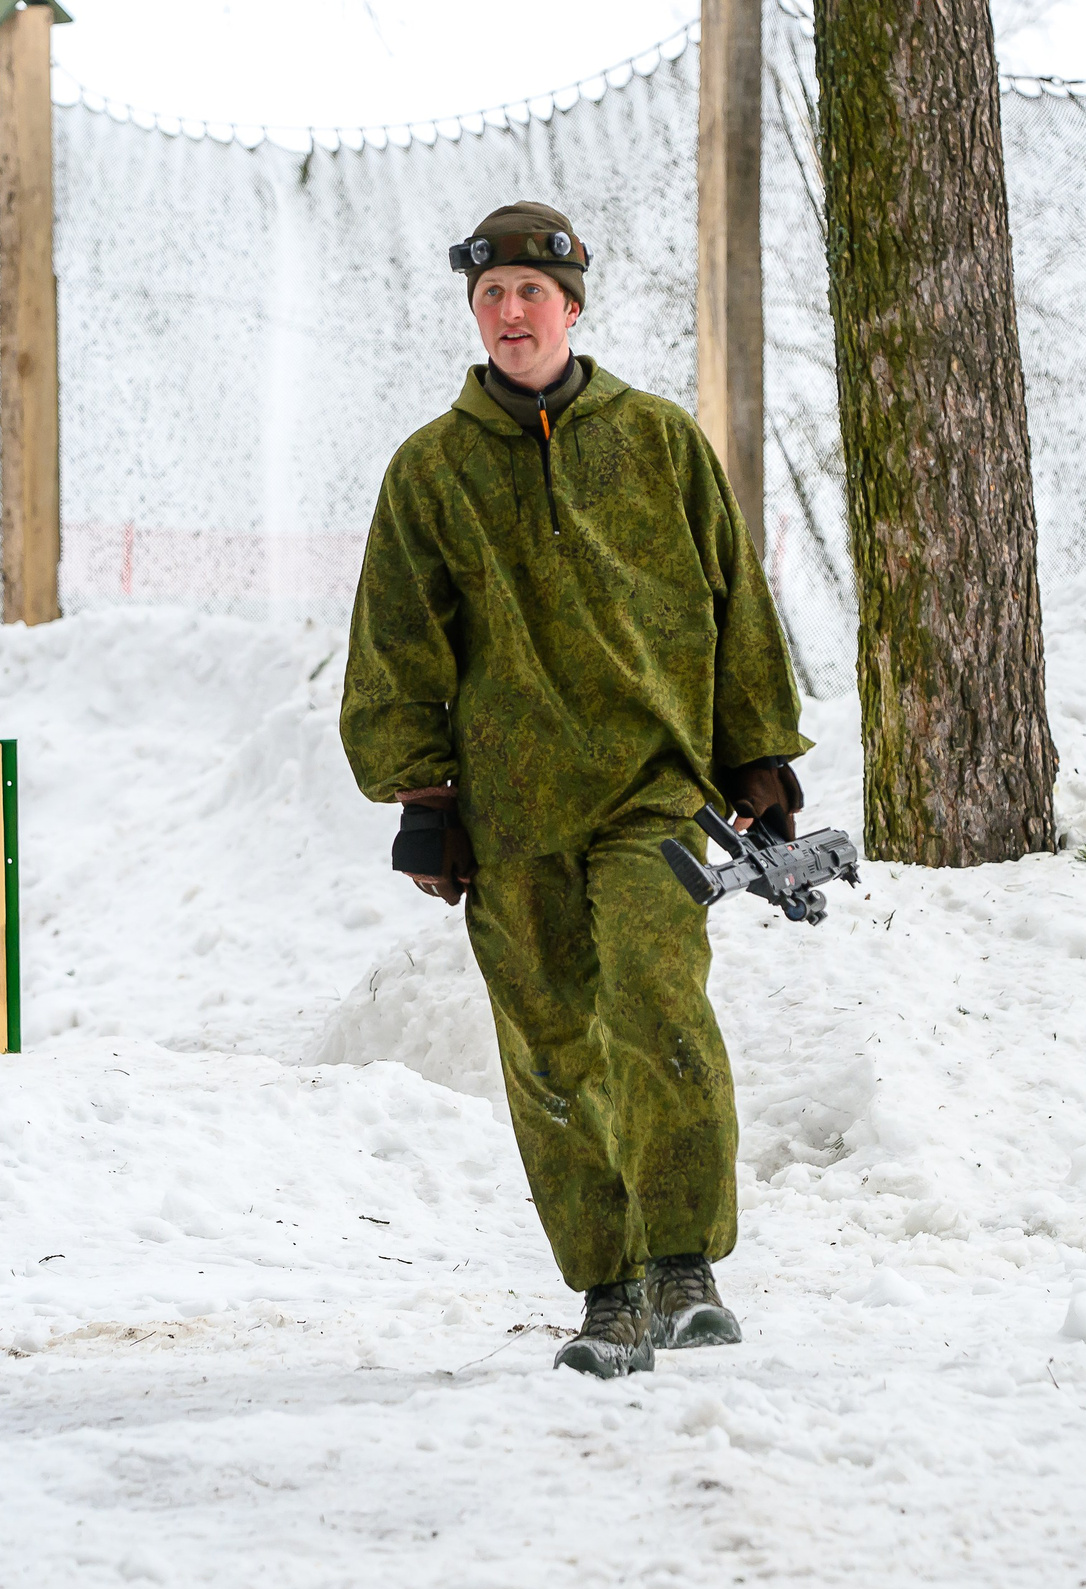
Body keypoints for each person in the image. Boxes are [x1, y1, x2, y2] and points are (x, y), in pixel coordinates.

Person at [340, 201, 810, 1380]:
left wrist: (756, 752)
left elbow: (731, 597)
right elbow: (398, 640)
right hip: (509, 813)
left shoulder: (656, 441)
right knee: (551, 1052)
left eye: (530, 294)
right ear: (474, 310)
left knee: (658, 1011)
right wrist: (423, 799)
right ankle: (608, 1294)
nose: (511, 313)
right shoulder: (430, 471)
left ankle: (683, 1268)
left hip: (653, 790)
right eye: (492, 294)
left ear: (572, 307)